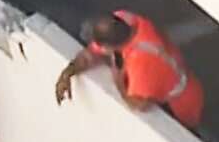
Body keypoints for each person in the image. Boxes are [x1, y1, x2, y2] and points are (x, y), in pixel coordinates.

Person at [55, 10, 204, 129]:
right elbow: (89, 55)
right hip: (172, 78)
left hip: (183, 104)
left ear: (112, 48)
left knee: (194, 132)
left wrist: (118, 81)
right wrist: (68, 73)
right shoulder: (123, 19)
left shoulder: (142, 62)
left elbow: (139, 104)